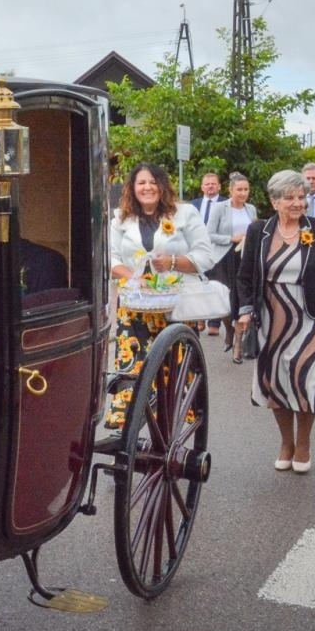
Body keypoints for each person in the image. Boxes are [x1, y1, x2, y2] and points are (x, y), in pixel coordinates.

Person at [234, 170, 315, 473]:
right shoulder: (258, 231)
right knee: (275, 381)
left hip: (310, 316)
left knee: (307, 380)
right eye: (289, 198)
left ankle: (303, 443)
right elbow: (246, 276)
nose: (297, 203)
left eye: (301, 197)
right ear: (274, 201)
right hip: (271, 316)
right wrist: (245, 309)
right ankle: (285, 442)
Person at [105, 163, 216, 430]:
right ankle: (128, 430)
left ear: (163, 186)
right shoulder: (120, 218)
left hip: (175, 307)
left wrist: (174, 261)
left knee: (175, 375)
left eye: (153, 182)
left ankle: (172, 429)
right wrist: (132, 275)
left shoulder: (185, 214)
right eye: (142, 182)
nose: (147, 188)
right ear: (132, 187)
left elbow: (206, 256)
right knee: (133, 371)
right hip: (134, 309)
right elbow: (111, 258)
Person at [220, 172, 258, 361]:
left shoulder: (251, 209)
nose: (243, 193)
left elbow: (256, 231)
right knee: (225, 303)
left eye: (246, 189)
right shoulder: (221, 209)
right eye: (239, 190)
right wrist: (231, 238)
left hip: (245, 257)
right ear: (231, 190)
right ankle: (228, 328)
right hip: (225, 258)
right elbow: (209, 234)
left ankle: (238, 343)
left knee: (240, 300)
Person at [194, 171, 231, 337]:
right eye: (207, 184)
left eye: (213, 183)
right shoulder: (193, 205)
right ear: (202, 187)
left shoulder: (227, 204)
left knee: (217, 284)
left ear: (219, 186)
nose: (210, 186)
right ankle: (200, 317)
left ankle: (214, 322)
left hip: (219, 252)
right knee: (198, 284)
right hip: (197, 251)